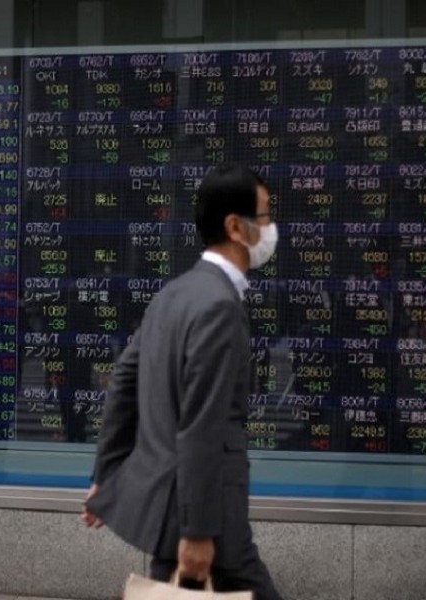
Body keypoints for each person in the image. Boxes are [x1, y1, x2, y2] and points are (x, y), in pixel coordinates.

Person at [81, 163, 283, 600]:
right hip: (207, 511)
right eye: (265, 217)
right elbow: (202, 426)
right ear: (235, 226)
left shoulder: (173, 293)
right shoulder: (219, 307)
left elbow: (123, 383)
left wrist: (107, 473)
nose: (271, 228)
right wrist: (198, 532)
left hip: (172, 506)